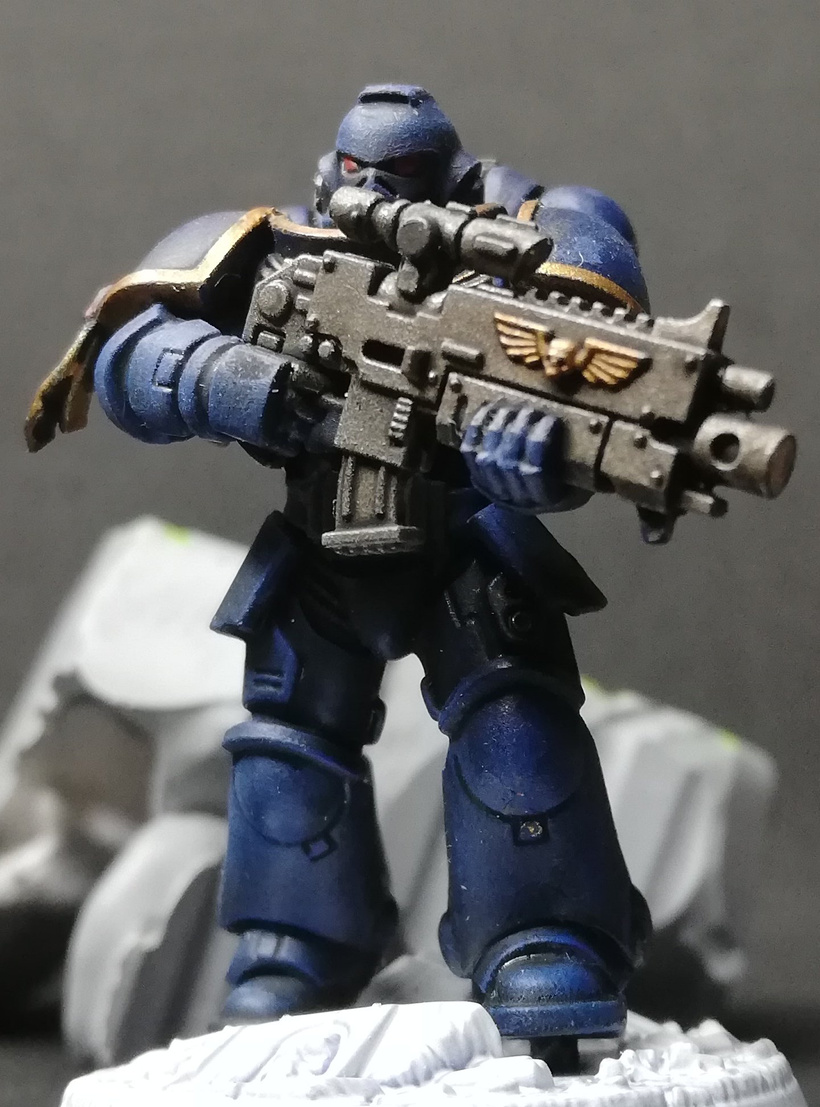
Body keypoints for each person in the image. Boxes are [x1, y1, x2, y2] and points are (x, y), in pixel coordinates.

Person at [26, 85, 651, 1044]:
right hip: (323, 545)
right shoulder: (274, 249)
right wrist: (234, 380)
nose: (381, 199)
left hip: (462, 544)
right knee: (289, 741)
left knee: (514, 723)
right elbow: (124, 355)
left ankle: (545, 936)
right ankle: (300, 943)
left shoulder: (522, 257)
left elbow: (593, 364)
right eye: (364, 180)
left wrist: (530, 455)